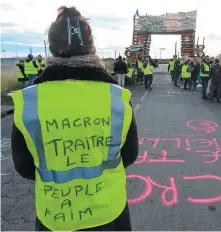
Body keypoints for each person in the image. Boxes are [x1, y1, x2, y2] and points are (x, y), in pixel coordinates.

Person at [11, 6, 138, 231]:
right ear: (92, 48)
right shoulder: (116, 97)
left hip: (55, 215)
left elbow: (24, 167)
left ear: (51, 48)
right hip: (109, 212)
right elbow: (129, 155)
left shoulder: (30, 100)